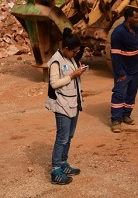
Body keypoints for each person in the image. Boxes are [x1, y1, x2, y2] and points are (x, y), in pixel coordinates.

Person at [45, 27, 87, 185]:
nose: (76, 54)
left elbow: (71, 76)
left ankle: (63, 163)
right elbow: (54, 83)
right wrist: (72, 75)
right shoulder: (56, 60)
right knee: (62, 138)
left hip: (73, 103)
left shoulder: (69, 58)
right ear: (66, 49)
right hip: (62, 105)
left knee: (69, 137)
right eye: (75, 52)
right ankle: (56, 170)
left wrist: (77, 70)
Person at [109, 7, 138, 133]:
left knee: (131, 93)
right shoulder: (118, 33)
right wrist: (120, 72)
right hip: (123, 70)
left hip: (135, 69)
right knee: (119, 94)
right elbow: (115, 55)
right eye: (135, 17)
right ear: (129, 18)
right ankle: (116, 120)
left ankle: (126, 115)